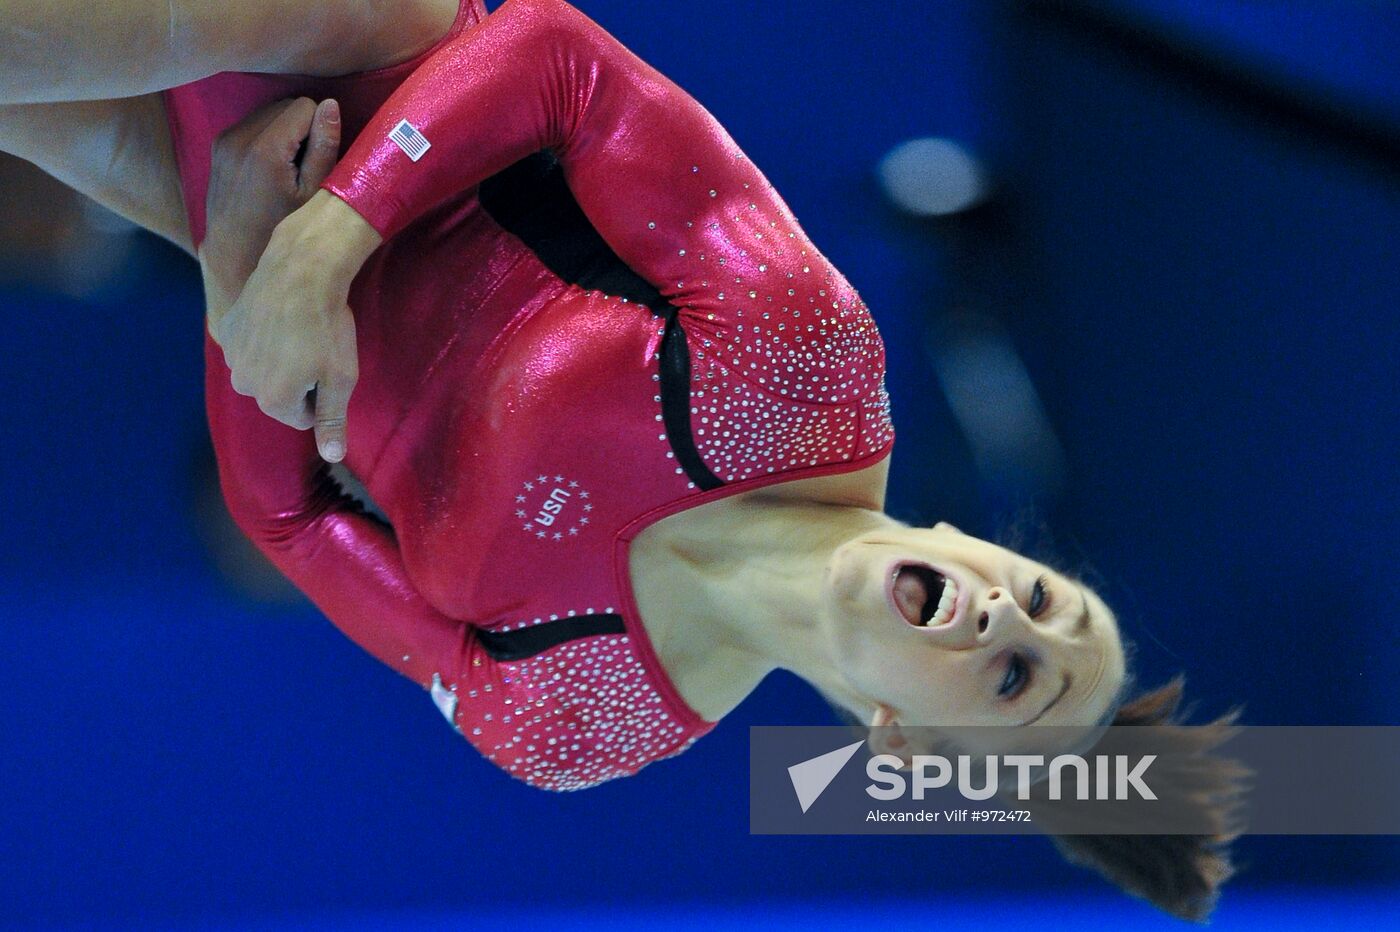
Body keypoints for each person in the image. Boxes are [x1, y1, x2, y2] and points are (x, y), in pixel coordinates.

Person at [0, 0, 1242, 919]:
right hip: (364, 47)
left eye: (1016, 676)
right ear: (978, 543)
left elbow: (284, 520)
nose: (998, 619)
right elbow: (557, 62)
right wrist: (321, 248)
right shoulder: (800, 369)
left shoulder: (580, 720)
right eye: (1042, 599)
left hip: (236, 205)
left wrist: (241, 275)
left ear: (901, 747)